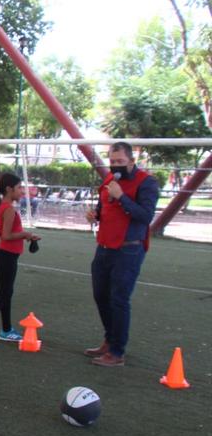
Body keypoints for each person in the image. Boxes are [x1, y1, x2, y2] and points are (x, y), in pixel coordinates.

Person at [84, 142, 159, 367]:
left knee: (119, 299)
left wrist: (122, 197)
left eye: (120, 162)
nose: (115, 165)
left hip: (129, 249)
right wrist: (94, 215)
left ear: (132, 161)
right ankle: (110, 339)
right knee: (100, 295)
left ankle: (117, 352)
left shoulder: (147, 182)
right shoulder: (110, 180)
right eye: (112, 161)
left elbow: (146, 216)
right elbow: (103, 208)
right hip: (105, 246)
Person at [0, 173, 40, 346]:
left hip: (8, 255)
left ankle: (6, 329)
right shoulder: (9, 209)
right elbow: (6, 235)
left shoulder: (5, 206)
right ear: (9, 189)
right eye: (19, 188)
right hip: (6, 255)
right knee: (4, 294)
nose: (21, 191)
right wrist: (26, 234)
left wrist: (25, 236)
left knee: (7, 293)